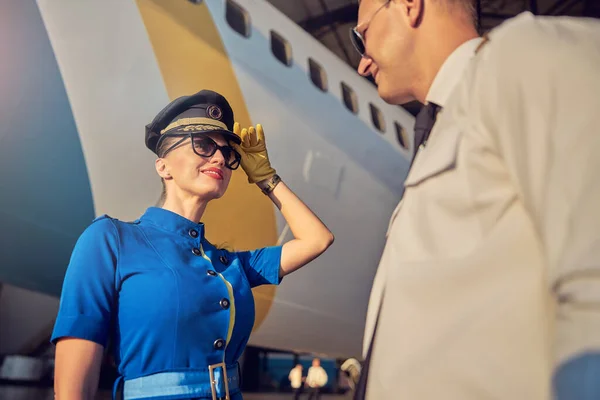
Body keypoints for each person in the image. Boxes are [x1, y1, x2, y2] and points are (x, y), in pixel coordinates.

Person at [350, 0, 600, 399]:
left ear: (409, 6)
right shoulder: (438, 135)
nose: (362, 63)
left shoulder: (526, 55)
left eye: (362, 35)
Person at [50, 89, 335, 400]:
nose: (220, 158)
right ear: (163, 166)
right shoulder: (110, 240)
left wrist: (266, 178)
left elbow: (317, 239)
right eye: (203, 144)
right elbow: (73, 387)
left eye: (229, 155)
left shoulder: (229, 264)